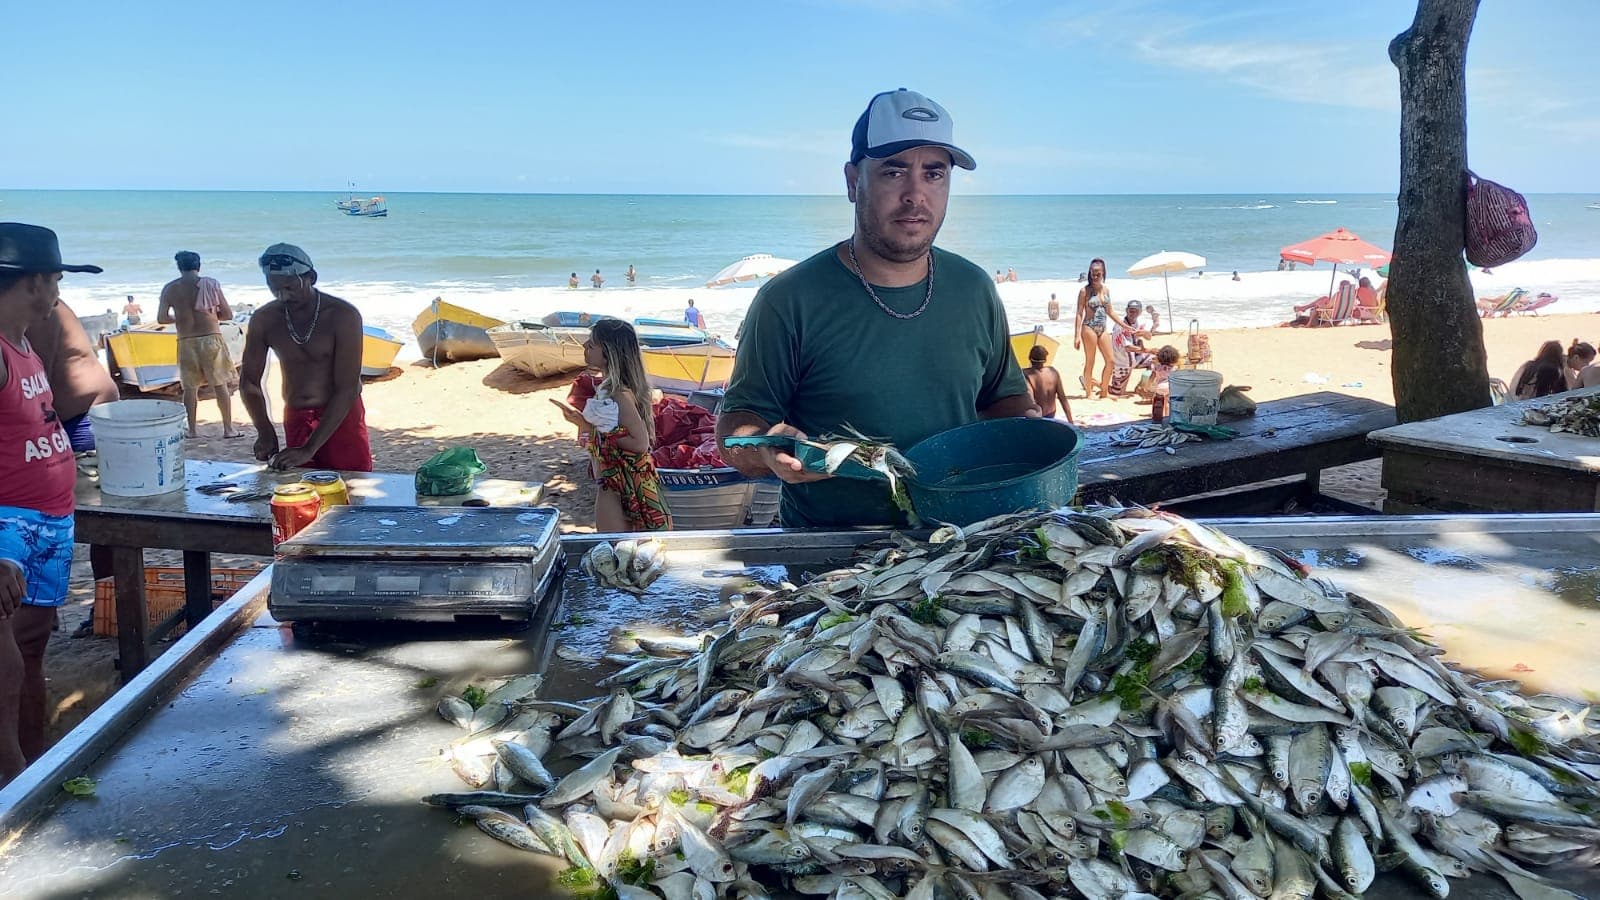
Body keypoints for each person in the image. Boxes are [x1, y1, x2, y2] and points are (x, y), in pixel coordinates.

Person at [715, 88, 1036, 528]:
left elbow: (1004, 397)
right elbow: (735, 428)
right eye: (893, 171)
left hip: (958, 542)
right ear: (852, 181)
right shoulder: (789, 300)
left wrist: (1028, 427)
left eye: (934, 174)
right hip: (829, 558)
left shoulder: (974, 287)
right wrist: (766, 451)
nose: (915, 194)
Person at [0, 223, 102, 785]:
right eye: (56, 277)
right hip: (7, 525)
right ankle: (8, 781)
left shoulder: (24, 345)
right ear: (35, 282)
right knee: (5, 657)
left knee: (34, 645)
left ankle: (32, 769)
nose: (59, 288)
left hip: (49, 520)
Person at [239, 244, 372, 472]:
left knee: (351, 490)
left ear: (311, 277)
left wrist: (309, 448)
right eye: (275, 289)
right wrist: (265, 431)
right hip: (296, 416)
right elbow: (249, 382)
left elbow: (347, 388)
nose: (283, 296)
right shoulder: (265, 319)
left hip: (341, 418)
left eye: (290, 287)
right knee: (300, 495)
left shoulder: (342, 316)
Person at [551, 319, 671, 532]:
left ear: (609, 352)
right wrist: (583, 424)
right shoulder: (608, 390)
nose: (585, 347)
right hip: (614, 479)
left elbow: (639, 442)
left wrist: (587, 427)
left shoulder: (618, 393)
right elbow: (602, 438)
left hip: (620, 483)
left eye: (592, 344)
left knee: (616, 549)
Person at [158, 251, 241, 438]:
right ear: (199, 265)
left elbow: (161, 318)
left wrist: (180, 317)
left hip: (186, 340)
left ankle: (193, 430)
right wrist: (211, 316)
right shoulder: (210, 284)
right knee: (220, 385)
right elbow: (227, 314)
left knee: (190, 388)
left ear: (179, 267)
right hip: (210, 338)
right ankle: (228, 429)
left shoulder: (170, 289)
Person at [1073, 258, 1129, 399]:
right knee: (1090, 360)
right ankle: (1089, 392)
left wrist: (1124, 325)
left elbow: (1110, 312)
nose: (1095, 275)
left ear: (1103, 272)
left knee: (1110, 361)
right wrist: (1077, 335)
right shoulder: (1084, 291)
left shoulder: (1105, 290)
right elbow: (1079, 313)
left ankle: (1104, 392)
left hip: (1103, 328)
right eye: (1092, 272)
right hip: (1089, 327)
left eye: (1098, 272)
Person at [1109, 300, 1154, 396]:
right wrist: (1149, 350)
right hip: (1123, 362)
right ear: (1126, 310)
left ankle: (1142, 387)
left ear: (1140, 312)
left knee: (1156, 361)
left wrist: (1145, 333)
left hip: (1136, 358)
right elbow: (1128, 347)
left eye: (1136, 311)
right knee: (1117, 392)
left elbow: (1149, 337)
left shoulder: (1140, 322)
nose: (1133, 313)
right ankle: (1094, 383)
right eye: (1131, 311)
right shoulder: (1120, 325)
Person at [1023, 345, 1073, 423]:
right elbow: (1063, 399)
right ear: (1045, 360)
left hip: (1037, 415)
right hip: (1051, 414)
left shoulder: (1025, 374)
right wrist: (1071, 422)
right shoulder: (1053, 372)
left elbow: (1031, 400)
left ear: (1029, 358)